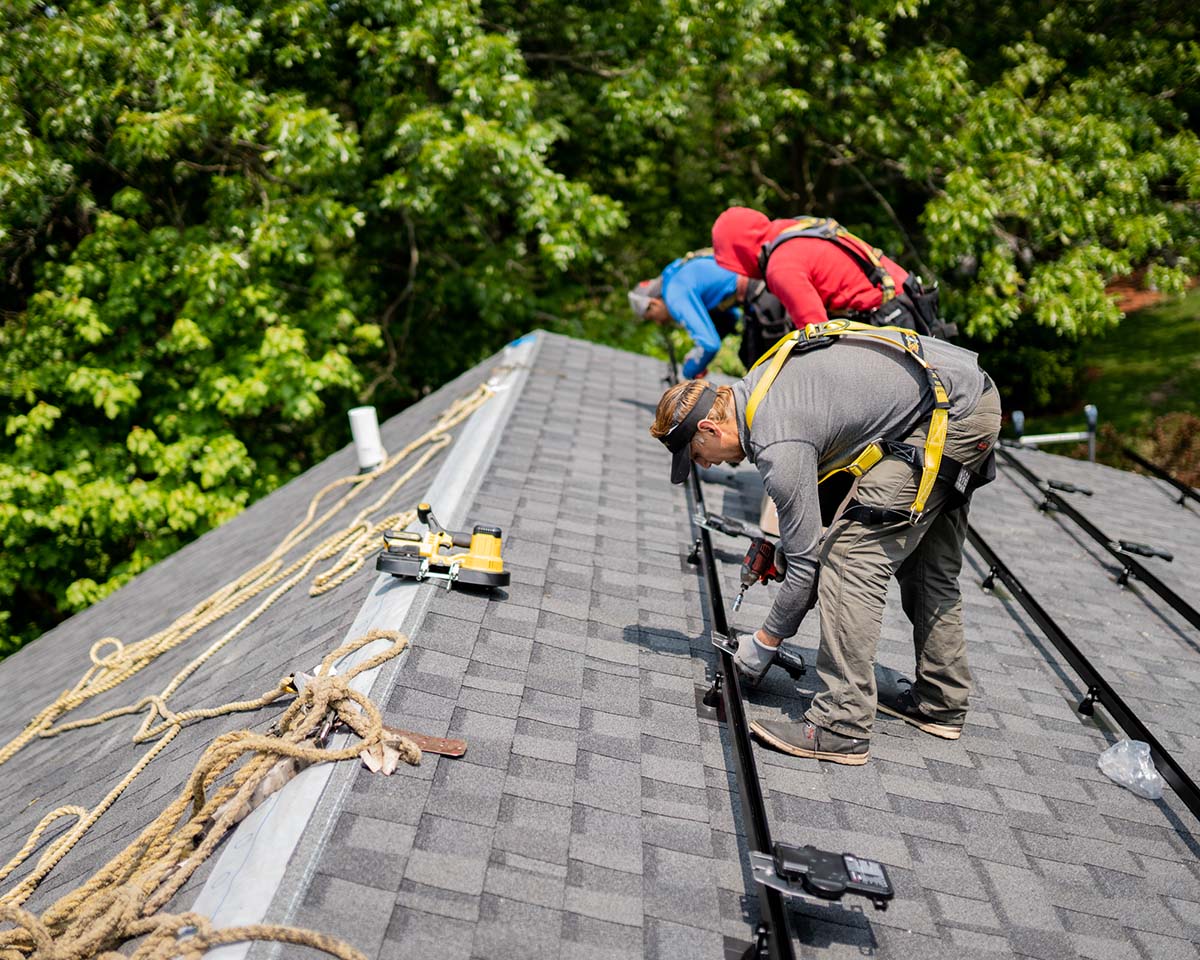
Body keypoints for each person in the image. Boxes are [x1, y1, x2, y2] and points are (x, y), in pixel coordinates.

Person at [648, 324, 1000, 765]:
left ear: (709, 427)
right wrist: (777, 544)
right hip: (961, 396)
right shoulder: (760, 386)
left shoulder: (777, 439)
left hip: (949, 413)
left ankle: (841, 724)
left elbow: (809, 563)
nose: (706, 465)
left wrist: (765, 642)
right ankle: (940, 701)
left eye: (697, 456)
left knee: (850, 557)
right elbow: (827, 485)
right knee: (926, 563)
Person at [711, 206, 953, 338]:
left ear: (741, 253)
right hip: (908, 297)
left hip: (889, 318)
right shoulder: (796, 227)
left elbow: (818, 333)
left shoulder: (781, 266)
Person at [629, 249, 790, 378]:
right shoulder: (677, 276)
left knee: (763, 368)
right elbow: (730, 318)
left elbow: (709, 344)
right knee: (752, 358)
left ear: (654, 303)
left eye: (651, 318)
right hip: (762, 287)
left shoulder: (674, 294)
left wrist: (689, 370)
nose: (658, 322)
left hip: (761, 290)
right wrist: (700, 358)